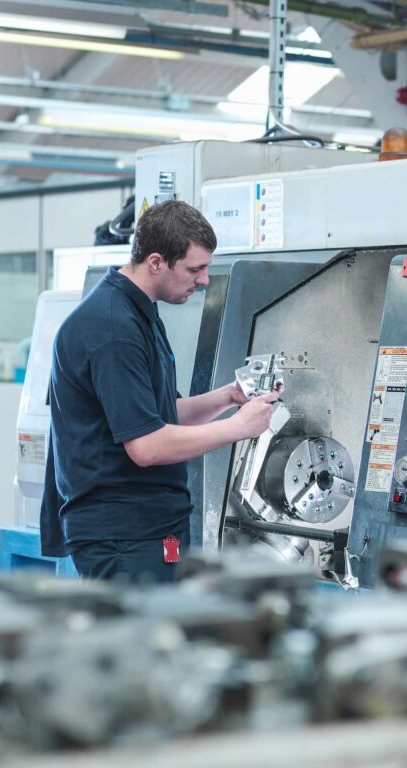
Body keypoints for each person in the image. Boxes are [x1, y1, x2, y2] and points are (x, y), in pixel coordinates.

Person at [40, 200, 279, 583]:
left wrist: (229, 397)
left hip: (147, 529)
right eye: (195, 269)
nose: (203, 280)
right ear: (156, 262)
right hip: (123, 536)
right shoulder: (113, 328)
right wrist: (239, 428)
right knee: (139, 639)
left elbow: (160, 414)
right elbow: (147, 446)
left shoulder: (139, 313)